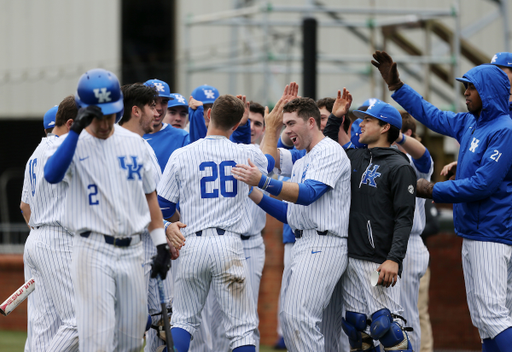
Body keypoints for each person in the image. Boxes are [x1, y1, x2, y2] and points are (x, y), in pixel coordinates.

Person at [372, 50, 512, 351]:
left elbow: (483, 184)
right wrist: (397, 87)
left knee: (494, 316)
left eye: (471, 87)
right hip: (475, 231)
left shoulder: (504, 129)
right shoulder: (470, 122)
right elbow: (430, 114)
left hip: (493, 232)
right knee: (484, 321)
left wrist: (432, 190)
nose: (465, 92)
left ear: (487, 91)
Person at [43, 68, 175, 352]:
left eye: (110, 114)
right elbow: (52, 175)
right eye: (97, 115)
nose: (104, 122)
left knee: (130, 338)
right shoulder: (73, 144)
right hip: (92, 250)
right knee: (98, 340)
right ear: (84, 112)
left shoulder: (134, 143)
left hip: (131, 251)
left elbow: (150, 198)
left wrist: (161, 245)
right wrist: (76, 131)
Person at [232, 92, 352, 352]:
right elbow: (290, 213)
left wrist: (262, 182)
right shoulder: (304, 157)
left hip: (324, 244)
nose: (287, 131)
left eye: (291, 124)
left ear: (311, 122)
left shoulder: (329, 150)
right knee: (321, 330)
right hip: (306, 242)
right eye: (285, 124)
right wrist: (254, 192)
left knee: (297, 318)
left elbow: (308, 195)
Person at [157, 94, 271, 352]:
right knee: (241, 329)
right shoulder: (247, 153)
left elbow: (163, 207)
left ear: (208, 115)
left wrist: (175, 222)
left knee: (184, 320)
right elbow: (271, 160)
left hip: (191, 241)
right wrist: (261, 126)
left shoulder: (182, 154)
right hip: (230, 244)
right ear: (237, 123)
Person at [324, 96, 417, 351]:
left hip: (379, 261)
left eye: (367, 120)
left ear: (385, 127)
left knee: (388, 331)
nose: (360, 125)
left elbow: (404, 218)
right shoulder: (356, 157)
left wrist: (394, 259)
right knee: (356, 329)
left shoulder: (400, 166)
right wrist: (335, 118)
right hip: (351, 256)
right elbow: (327, 147)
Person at [119, 83, 180, 352]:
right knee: (129, 330)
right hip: (130, 246)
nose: (156, 112)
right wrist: (165, 228)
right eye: (150, 106)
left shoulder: (126, 143)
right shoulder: (132, 146)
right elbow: (142, 202)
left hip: (142, 245)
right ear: (135, 110)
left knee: (157, 319)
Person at [21, 96, 78, 352]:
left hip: (35, 238)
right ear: (70, 123)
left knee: (43, 328)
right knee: (79, 322)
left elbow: (24, 207)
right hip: (58, 238)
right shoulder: (62, 146)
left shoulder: (35, 153)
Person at [395, 112, 433, 352]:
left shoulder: (411, 161)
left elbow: (425, 158)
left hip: (409, 241)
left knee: (408, 316)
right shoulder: (379, 159)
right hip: (385, 244)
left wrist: (395, 135)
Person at [143, 79, 190, 172]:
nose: (159, 108)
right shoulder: (127, 135)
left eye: (164, 102)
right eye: (153, 101)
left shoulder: (182, 137)